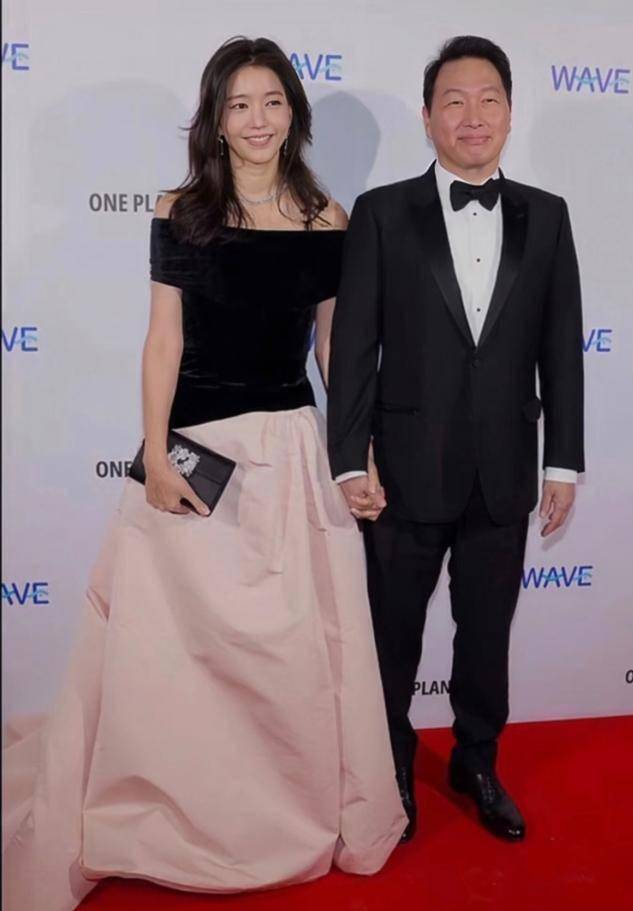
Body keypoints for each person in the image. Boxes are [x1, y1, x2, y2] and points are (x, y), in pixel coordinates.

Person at [3, 36, 406, 911]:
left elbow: (334, 351)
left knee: (290, 650)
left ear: (294, 111)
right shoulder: (180, 211)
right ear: (216, 120)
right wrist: (154, 453)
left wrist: (356, 452)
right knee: (177, 648)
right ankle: (178, 807)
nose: (257, 120)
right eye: (239, 104)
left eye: (272, 102)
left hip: (290, 450)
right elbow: (164, 341)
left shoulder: (328, 219)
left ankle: (282, 808)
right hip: (195, 450)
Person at [328, 35, 584, 843]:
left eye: (489, 99)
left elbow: (561, 347)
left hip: (505, 468)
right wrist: (348, 458)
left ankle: (477, 760)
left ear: (509, 112)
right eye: (455, 101)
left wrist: (563, 461)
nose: (473, 116)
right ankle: (390, 764)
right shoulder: (381, 212)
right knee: (392, 636)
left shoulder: (548, 215)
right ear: (429, 116)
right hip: (402, 471)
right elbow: (353, 347)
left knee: (487, 633)